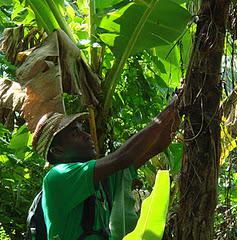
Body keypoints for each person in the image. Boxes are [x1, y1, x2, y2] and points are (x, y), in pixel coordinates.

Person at [31, 95, 181, 240]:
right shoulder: (58, 176)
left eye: (82, 129)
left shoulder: (102, 180)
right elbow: (123, 157)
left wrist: (180, 108)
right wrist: (170, 109)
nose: (87, 135)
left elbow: (158, 145)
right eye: (75, 133)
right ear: (57, 151)